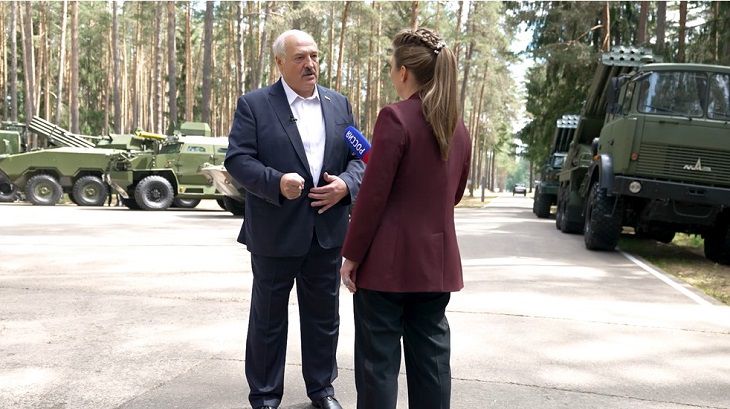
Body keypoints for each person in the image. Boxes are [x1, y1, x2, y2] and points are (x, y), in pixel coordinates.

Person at [225, 29, 364, 409]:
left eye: (314, 56)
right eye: (300, 57)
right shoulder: (255, 105)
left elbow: (361, 158)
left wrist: (346, 185)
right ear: (280, 62)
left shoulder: (338, 104)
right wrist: (275, 182)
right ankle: (265, 396)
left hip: (327, 232)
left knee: (324, 319)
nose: (310, 64)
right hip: (275, 232)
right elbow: (237, 159)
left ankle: (322, 390)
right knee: (268, 320)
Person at [340, 28, 471, 409]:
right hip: (435, 267)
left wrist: (351, 256)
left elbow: (372, 197)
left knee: (378, 366)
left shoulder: (395, 117)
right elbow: (454, 195)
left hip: (386, 267)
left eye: (390, 67)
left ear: (403, 72)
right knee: (432, 363)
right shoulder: (458, 127)